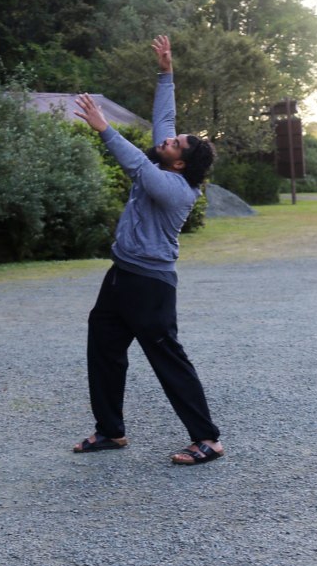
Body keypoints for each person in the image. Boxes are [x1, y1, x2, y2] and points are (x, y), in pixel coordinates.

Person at [72, 34, 223, 465]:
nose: (169, 140)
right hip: (120, 275)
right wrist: (165, 72)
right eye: (173, 139)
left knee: (166, 357)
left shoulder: (174, 188)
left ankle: (207, 439)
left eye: (175, 144)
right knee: (103, 346)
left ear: (179, 163)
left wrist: (104, 128)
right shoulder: (167, 161)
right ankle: (110, 432)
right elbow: (165, 117)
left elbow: (134, 163)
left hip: (149, 285)